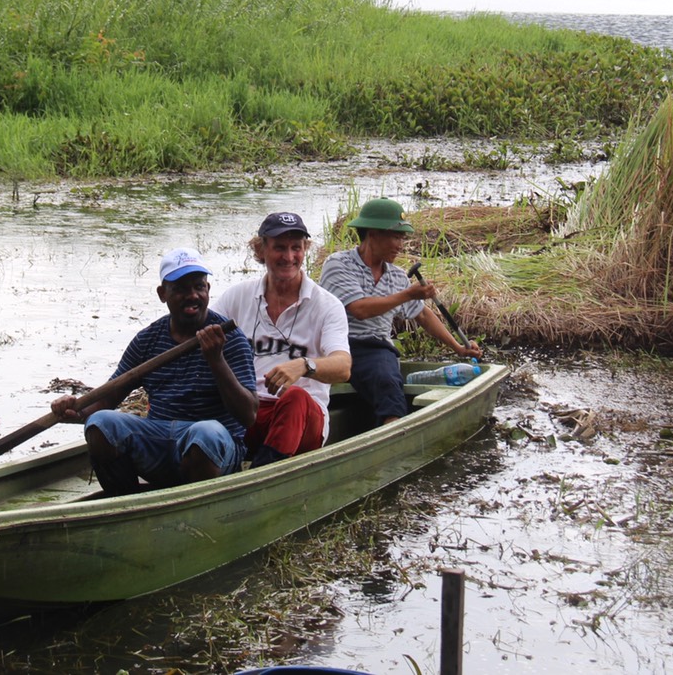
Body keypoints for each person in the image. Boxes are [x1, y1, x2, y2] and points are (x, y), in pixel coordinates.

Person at [50, 247, 257, 495]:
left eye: (199, 287)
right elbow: (107, 399)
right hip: (160, 438)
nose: (193, 296)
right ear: (162, 294)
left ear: (208, 290)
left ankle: (195, 504)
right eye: (181, 289)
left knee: (204, 434)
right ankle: (124, 501)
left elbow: (248, 416)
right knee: (100, 423)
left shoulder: (230, 339)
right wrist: (75, 410)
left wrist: (216, 360)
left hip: (215, 449)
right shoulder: (148, 340)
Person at [318, 198, 482, 425]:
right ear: (372, 234)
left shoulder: (396, 276)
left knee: (386, 381)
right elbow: (359, 309)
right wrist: (408, 294)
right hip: (336, 345)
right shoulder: (338, 264)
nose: (400, 245)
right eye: (395, 237)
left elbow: (422, 314)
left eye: (402, 238)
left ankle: (391, 426)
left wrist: (458, 347)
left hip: (375, 349)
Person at [214, 212, 352, 467]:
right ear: (261, 250)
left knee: (295, 396)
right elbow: (202, 340)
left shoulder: (327, 305)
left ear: (305, 250)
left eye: (296, 248)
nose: (289, 257)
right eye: (279, 248)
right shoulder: (237, 297)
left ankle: (263, 472)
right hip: (249, 411)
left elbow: (343, 367)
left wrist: (304, 365)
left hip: (302, 420)